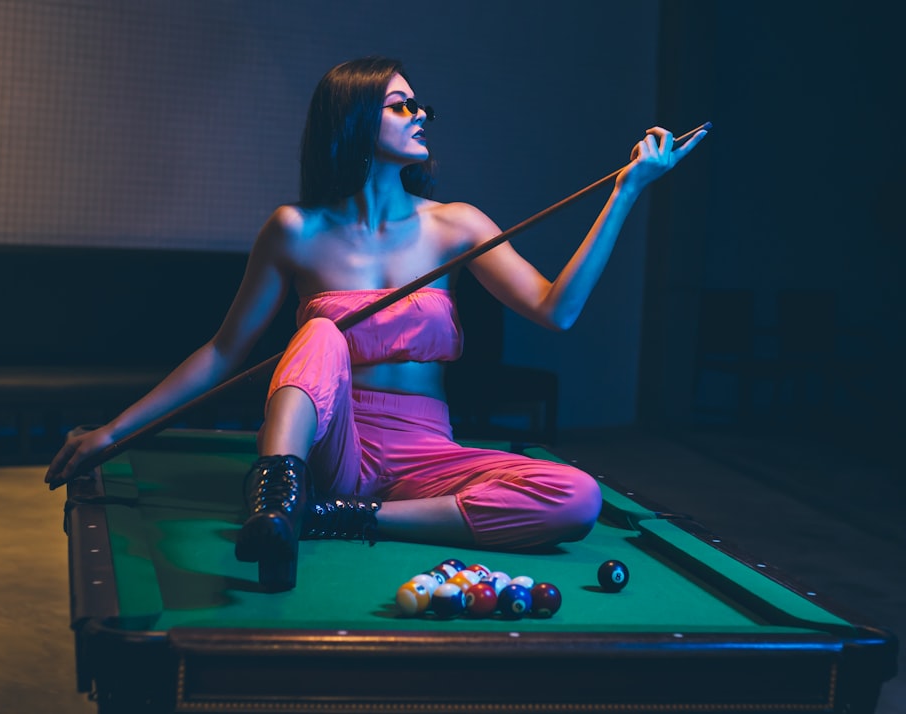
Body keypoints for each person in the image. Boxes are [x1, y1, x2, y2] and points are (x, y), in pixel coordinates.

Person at [45, 56, 706, 592]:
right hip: (334, 443)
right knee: (322, 333)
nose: (421, 115)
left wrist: (627, 191)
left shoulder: (458, 225)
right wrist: (114, 431)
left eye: (420, 104)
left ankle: (340, 520)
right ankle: (276, 501)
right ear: (354, 119)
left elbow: (556, 310)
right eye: (401, 105)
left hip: (427, 457)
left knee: (576, 497)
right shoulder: (294, 231)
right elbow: (223, 353)